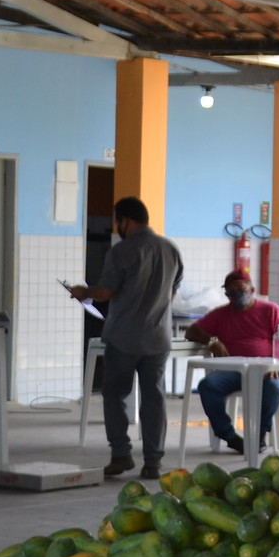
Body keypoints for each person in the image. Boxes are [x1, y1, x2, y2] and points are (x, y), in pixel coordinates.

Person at [69, 196, 183, 480]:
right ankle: (153, 463)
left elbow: (106, 292)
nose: (117, 227)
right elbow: (172, 292)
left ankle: (121, 454)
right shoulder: (171, 249)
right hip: (158, 339)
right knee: (154, 399)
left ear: (126, 220)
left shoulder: (122, 251)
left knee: (115, 395)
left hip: (125, 338)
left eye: (117, 221)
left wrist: (84, 292)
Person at [182, 270, 279, 455]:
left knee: (273, 386)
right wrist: (213, 341)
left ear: (252, 289)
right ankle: (229, 436)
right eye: (230, 291)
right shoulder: (220, 314)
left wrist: (276, 364)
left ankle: (259, 434)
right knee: (208, 386)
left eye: (241, 289)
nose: (236, 295)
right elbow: (191, 331)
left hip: (267, 370)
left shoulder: (271, 311)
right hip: (233, 371)